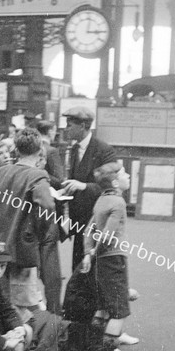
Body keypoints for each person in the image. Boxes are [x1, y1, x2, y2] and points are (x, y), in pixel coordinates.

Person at [0, 128, 55, 351]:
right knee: (18, 309)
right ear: (39, 151)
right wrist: (35, 232)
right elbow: (46, 208)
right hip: (20, 251)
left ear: (16, 149)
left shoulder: (0, 172)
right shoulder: (37, 176)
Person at [80, 161, 133, 351]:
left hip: (101, 261)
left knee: (102, 308)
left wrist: (88, 253)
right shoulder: (118, 202)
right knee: (119, 311)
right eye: (123, 174)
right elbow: (109, 236)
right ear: (115, 182)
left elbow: (89, 230)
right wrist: (95, 252)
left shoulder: (101, 199)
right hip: (113, 259)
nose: (128, 175)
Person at [61, 106, 117, 271]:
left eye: (69, 125)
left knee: (93, 269)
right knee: (78, 270)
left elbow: (112, 186)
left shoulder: (104, 150)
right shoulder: (74, 149)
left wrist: (84, 186)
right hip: (78, 219)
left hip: (96, 220)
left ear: (83, 126)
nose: (66, 129)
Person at [36, 120, 65, 313]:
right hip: (48, 213)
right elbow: (60, 181)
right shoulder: (52, 151)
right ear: (51, 131)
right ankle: (54, 313)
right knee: (51, 273)